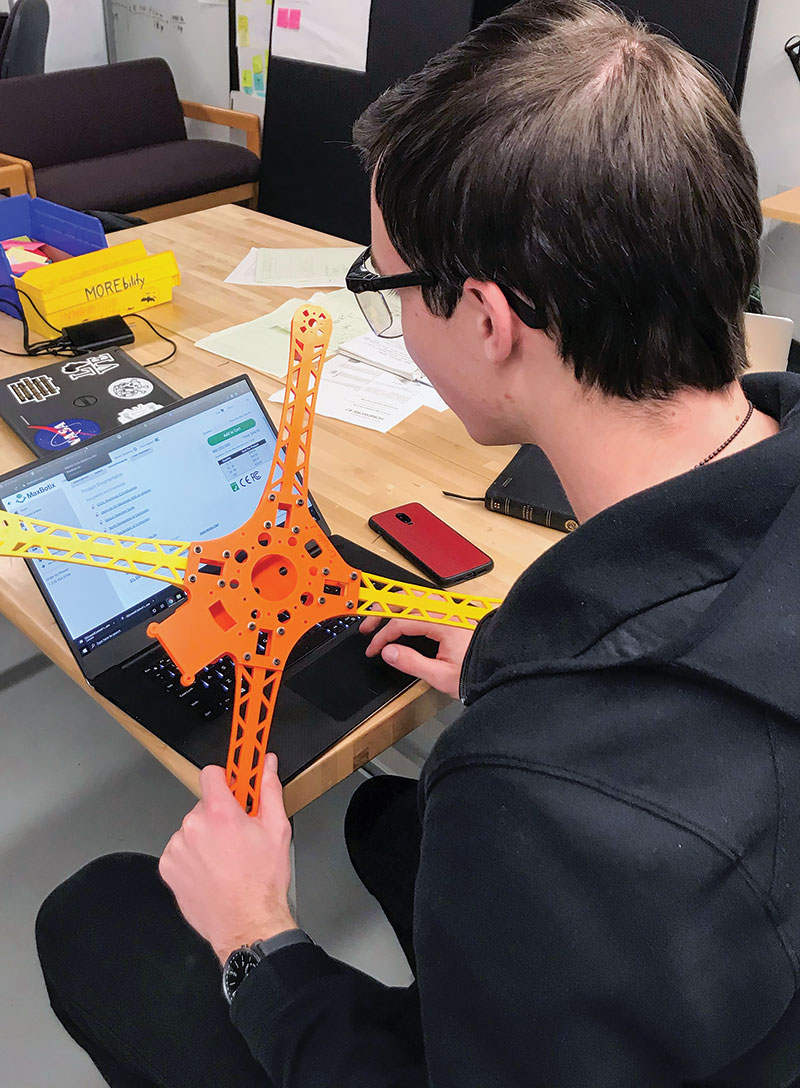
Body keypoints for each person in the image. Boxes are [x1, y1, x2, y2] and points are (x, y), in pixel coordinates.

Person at [34, 1, 800, 1084]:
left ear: (487, 321)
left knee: (99, 914)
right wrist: (518, 656)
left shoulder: (536, 789)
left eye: (383, 285)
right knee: (392, 814)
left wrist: (256, 938)